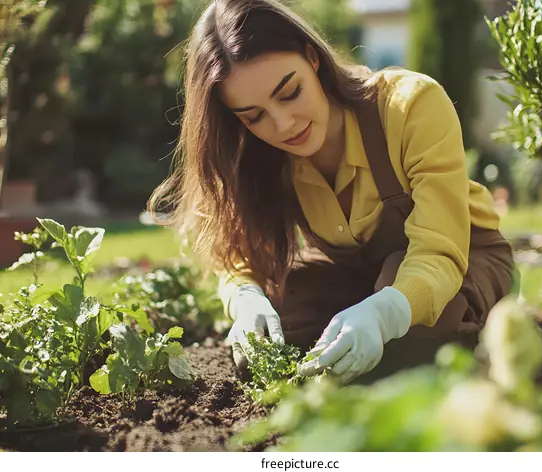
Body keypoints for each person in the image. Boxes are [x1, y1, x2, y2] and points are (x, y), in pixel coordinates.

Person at [148, 0, 516, 386]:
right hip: (361, 275)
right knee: (280, 321)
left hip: (462, 258)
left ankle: (492, 320)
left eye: (290, 92)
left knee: (421, 324)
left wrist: (382, 313)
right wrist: (245, 299)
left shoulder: (410, 107)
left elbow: (439, 252)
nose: (284, 125)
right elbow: (238, 257)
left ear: (313, 58)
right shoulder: (258, 156)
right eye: (254, 116)